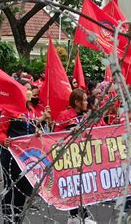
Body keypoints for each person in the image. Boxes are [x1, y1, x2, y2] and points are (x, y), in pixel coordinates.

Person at [0, 83, 50, 223]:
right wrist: (5, 141)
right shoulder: (8, 110)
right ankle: (7, 218)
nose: (29, 92)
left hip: (26, 156)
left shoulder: (31, 110)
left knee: (23, 188)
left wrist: (37, 131)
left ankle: (18, 217)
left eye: (29, 90)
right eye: (26, 90)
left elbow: (31, 128)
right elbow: (1, 132)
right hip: (11, 155)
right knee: (10, 188)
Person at [56, 89, 97, 224]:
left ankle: (83, 215)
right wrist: (68, 132)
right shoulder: (65, 115)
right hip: (70, 157)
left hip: (86, 156)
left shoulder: (88, 115)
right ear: (76, 102)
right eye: (84, 100)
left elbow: (100, 128)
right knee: (74, 185)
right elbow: (55, 135)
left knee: (84, 184)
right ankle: (74, 216)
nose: (86, 102)